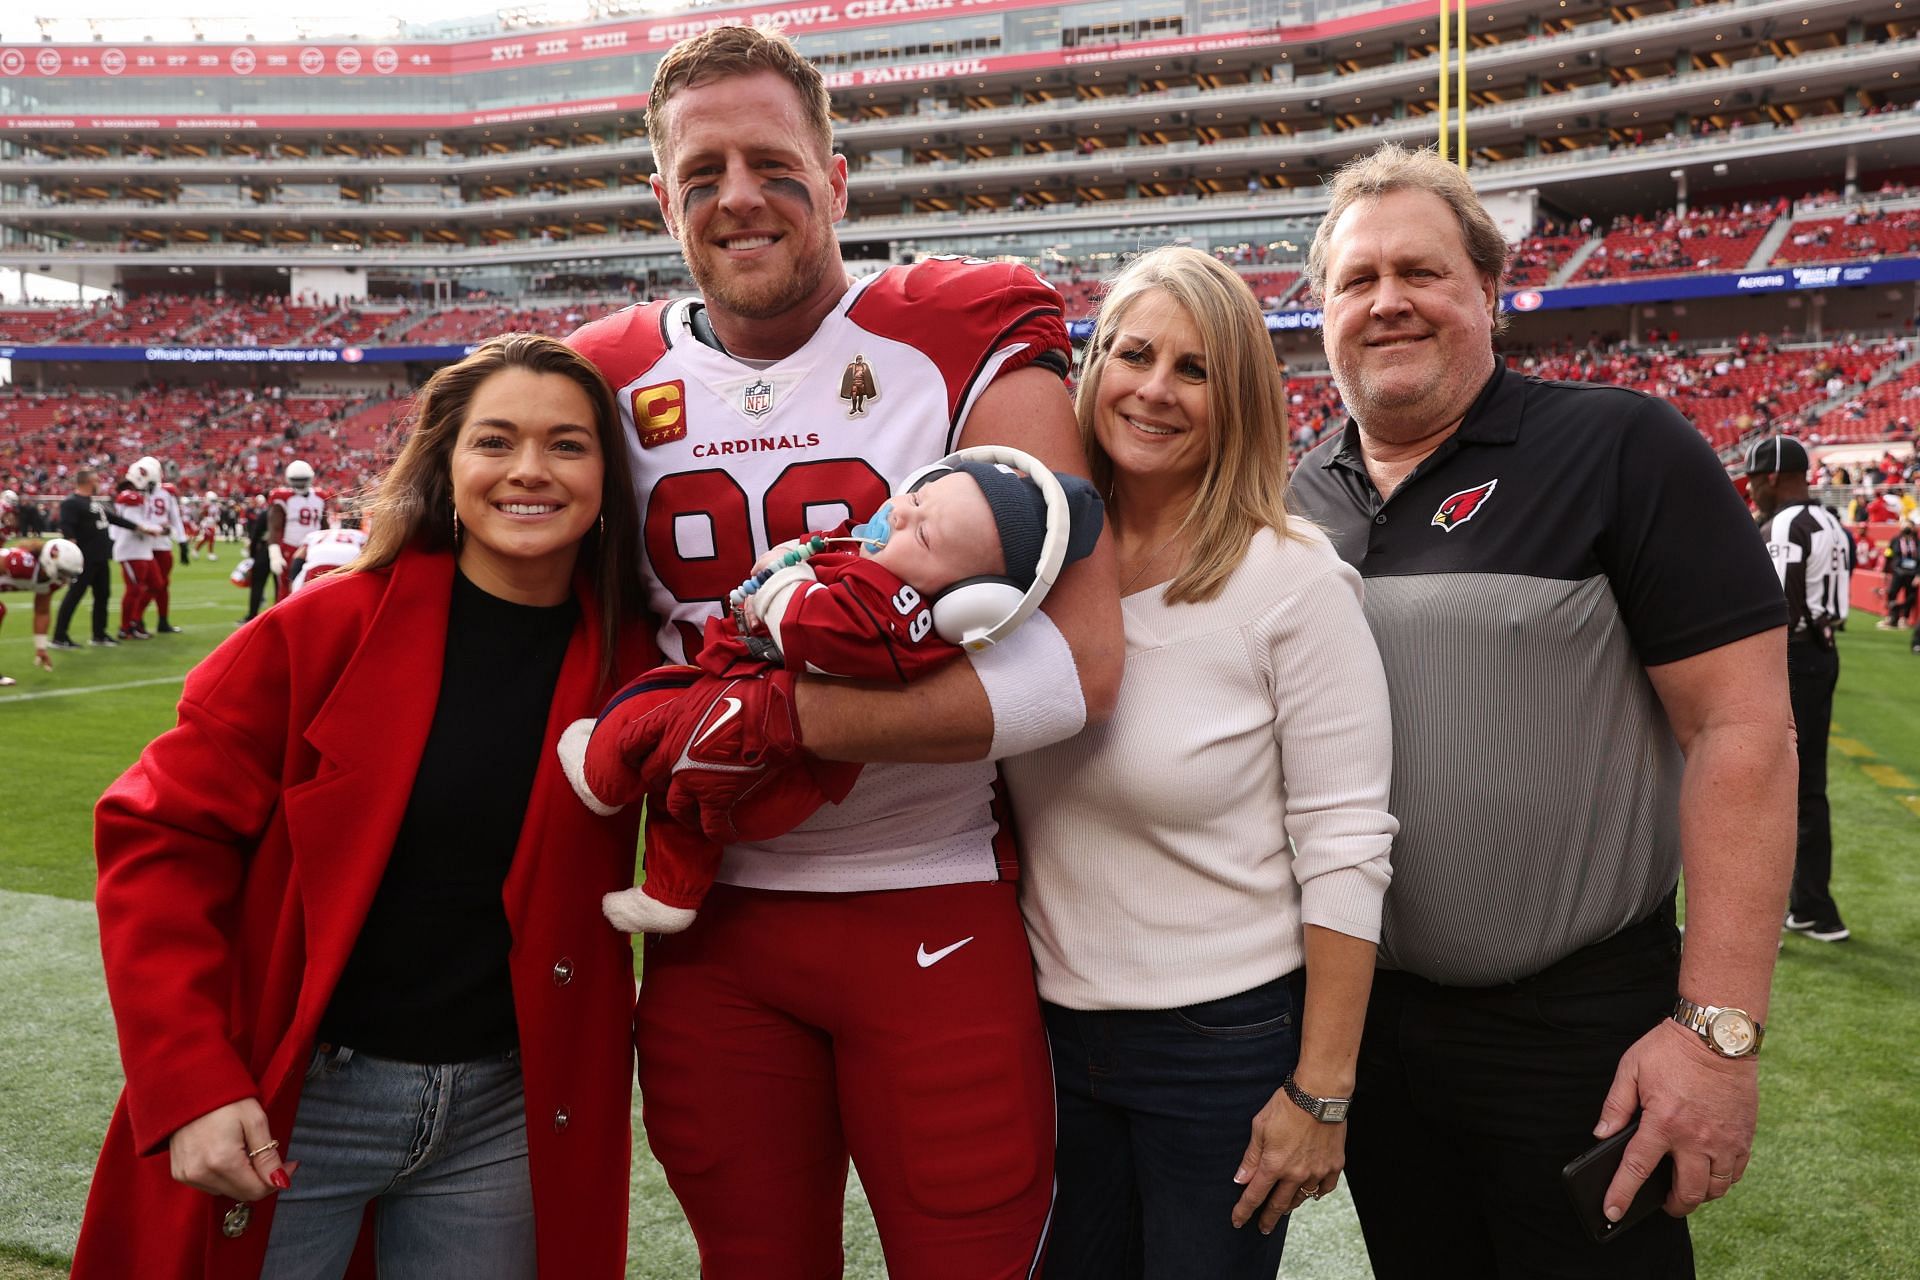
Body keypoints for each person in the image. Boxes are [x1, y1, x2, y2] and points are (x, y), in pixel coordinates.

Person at [566, 24, 1121, 1278]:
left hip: (929, 899)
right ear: (661, 200)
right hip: (712, 937)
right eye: (700, 174)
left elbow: (1076, 670)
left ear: (836, 177)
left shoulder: (961, 327)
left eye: (771, 162)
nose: (738, 196)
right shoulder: (599, 375)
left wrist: (770, 723)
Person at [1286, 143, 1793, 1279]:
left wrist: (1717, 1035)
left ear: (1490, 292)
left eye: (1420, 271)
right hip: (1366, 1018)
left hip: (1573, 1023)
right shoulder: (1290, 498)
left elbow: (1742, 731)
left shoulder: (1619, 445)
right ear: (1320, 313)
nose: (1388, 301)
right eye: (1356, 280)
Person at [74, 334, 653, 1280]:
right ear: (447, 464)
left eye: (569, 445)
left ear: (605, 479)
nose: (530, 471)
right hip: (301, 1094)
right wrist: (186, 1081)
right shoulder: (318, 632)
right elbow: (158, 835)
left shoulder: (633, 665)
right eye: (495, 441)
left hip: (509, 1109)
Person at [1001, 246, 1398, 1277]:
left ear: (1243, 401)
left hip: (1219, 1045)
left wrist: (1322, 1088)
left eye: (1196, 369)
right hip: (1043, 1036)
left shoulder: (1293, 580)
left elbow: (1347, 840)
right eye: (1134, 353)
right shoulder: (1030, 573)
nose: (1155, 389)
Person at [569, 450, 1104, 934]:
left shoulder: (899, 607)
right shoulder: (886, 559)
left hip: (772, 752)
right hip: (751, 703)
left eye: (924, 535)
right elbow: (834, 552)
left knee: (655, 723)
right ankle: (671, 893)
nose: (899, 516)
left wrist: (782, 581)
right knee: (686, 801)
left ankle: (602, 776)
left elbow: (814, 629)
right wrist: (798, 557)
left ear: (971, 601)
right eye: (917, 498)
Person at [1747, 435, 1853, 943]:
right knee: (1809, 787)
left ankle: (1764, 915)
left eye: (1753, 480)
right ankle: (1814, 905)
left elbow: (1778, 605)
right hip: (1823, 653)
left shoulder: (1786, 523)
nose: (1751, 491)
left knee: (1767, 786)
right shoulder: (1831, 520)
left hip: (1793, 658)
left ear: (1771, 477)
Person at [53, 468, 139, 648]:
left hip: (100, 558)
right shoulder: (71, 503)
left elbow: (115, 519)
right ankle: (59, 636)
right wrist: (73, 557)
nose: (99, 483)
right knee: (74, 596)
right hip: (84, 560)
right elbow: (67, 529)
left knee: (103, 596)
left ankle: (99, 634)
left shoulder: (92, 503)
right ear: (89, 482)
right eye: (97, 480)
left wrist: (142, 528)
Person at [0, 537, 86, 684]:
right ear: (49, 559)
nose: (64, 579)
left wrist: (41, 647)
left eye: (69, 575)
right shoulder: (22, 563)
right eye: (63, 572)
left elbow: (42, 611)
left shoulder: (50, 582)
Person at [110, 461, 166, 641]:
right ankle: (125, 627)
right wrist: (156, 529)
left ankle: (135, 620)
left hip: (144, 549)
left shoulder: (137, 496)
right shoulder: (129, 496)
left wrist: (157, 527)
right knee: (134, 589)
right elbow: (134, 524)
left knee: (157, 585)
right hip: (131, 549)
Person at [267, 460, 327, 602]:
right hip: (290, 549)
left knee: (314, 589)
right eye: (297, 481)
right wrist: (274, 555)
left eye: (303, 480)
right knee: (286, 592)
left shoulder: (320, 497)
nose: (300, 484)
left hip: (313, 550)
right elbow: (274, 528)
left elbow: (325, 527)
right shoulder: (282, 498)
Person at [1881, 508, 1918, 631]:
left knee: (1910, 596)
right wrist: (1886, 570)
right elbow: (1889, 555)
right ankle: (1892, 617)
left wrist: (1918, 574)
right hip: (1898, 572)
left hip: (1912, 574)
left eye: (1909, 526)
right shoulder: (1895, 540)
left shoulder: (1917, 542)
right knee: (1892, 593)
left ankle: (1904, 618)